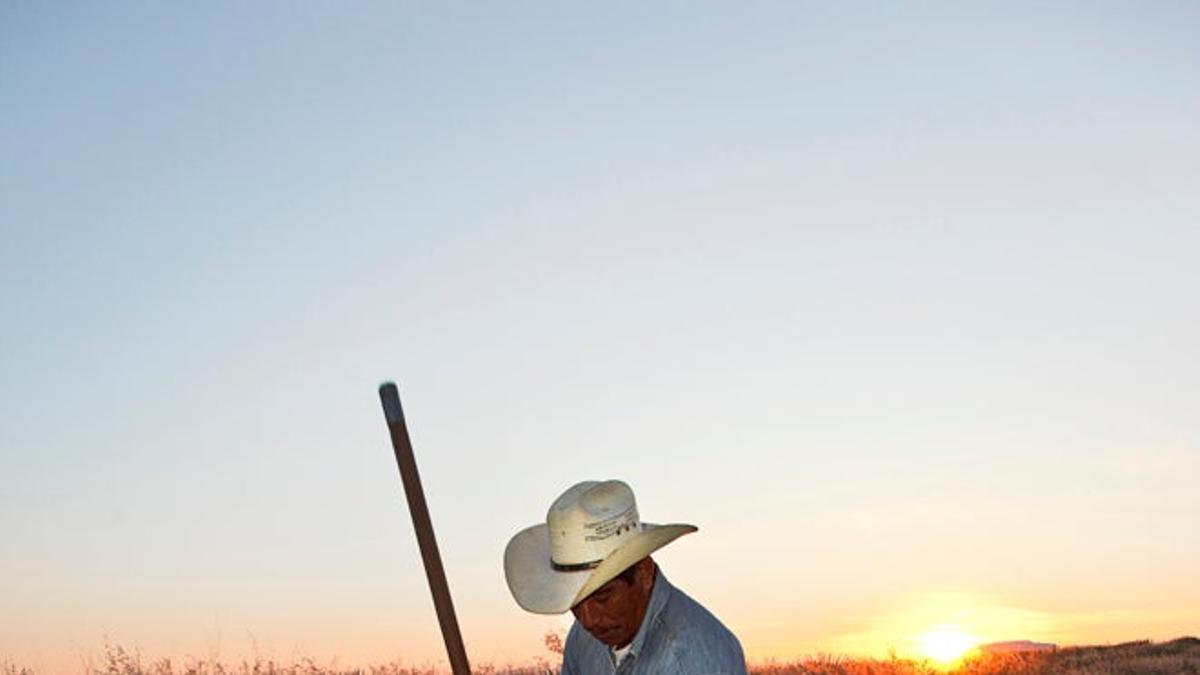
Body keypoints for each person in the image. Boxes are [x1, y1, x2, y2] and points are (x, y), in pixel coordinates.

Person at [504, 479, 747, 675]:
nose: (588, 620)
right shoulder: (583, 637)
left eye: (603, 597)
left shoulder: (691, 660)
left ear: (644, 574)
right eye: (575, 602)